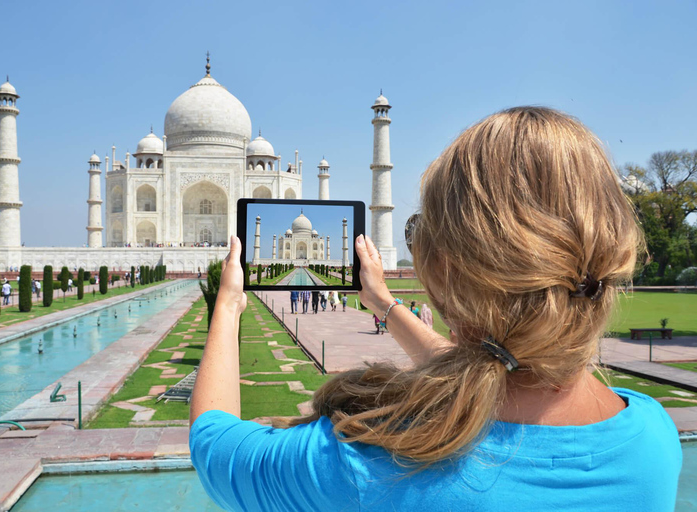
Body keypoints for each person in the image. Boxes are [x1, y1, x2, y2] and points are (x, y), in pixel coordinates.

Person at [187, 108, 682, 510]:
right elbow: (492, 368)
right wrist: (382, 303)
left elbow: (214, 444)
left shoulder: (367, 464)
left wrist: (228, 304)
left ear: (442, 271)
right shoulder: (653, 437)